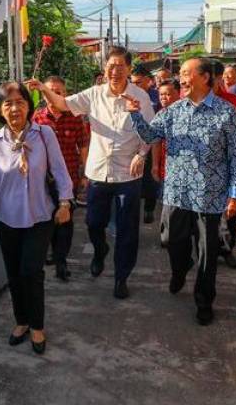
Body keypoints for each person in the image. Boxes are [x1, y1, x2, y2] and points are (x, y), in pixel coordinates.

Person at [26, 46, 155, 300]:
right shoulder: (94, 94)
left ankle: (121, 277)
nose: (114, 70)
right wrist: (43, 88)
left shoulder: (140, 97)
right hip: (98, 173)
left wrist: (142, 155)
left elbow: (149, 134)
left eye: (119, 66)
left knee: (128, 231)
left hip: (128, 175)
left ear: (129, 68)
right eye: (110, 65)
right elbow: (63, 104)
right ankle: (100, 250)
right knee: (94, 223)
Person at [127, 57, 236, 325]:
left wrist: (235, 194)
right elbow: (149, 136)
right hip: (176, 194)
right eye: (180, 74)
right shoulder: (172, 111)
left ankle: (204, 301)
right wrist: (135, 113)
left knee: (207, 254)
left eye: (185, 73)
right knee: (171, 241)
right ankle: (180, 270)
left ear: (205, 78)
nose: (181, 78)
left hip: (210, 196)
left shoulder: (227, 113)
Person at [0, 82, 73, 355]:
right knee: (14, 273)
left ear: (29, 106)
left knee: (32, 272)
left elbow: (60, 169)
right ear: (0, 110)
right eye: (8, 103)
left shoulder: (44, 135)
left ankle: (37, 326)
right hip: (7, 218)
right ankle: (21, 321)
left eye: (20, 102)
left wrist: (65, 202)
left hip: (40, 216)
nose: (15, 108)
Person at [32, 75, 89, 281]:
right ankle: (50, 252)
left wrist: (84, 174)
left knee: (65, 221)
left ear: (65, 94)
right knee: (46, 219)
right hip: (41, 181)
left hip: (69, 178)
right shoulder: (37, 118)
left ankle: (61, 261)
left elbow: (82, 145)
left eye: (59, 91)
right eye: (51, 90)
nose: (55, 94)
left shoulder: (74, 118)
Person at [210, 59, 236, 268]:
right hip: (202, 172)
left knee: (229, 210)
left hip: (228, 168)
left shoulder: (233, 103)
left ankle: (226, 248)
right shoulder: (188, 101)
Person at [131, 65, 161, 224]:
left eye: (139, 82)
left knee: (151, 177)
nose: (135, 86)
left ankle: (149, 207)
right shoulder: (128, 96)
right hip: (133, 144)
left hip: (153, 143)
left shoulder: (157, 96)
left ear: (149, 81)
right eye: (133, 82)